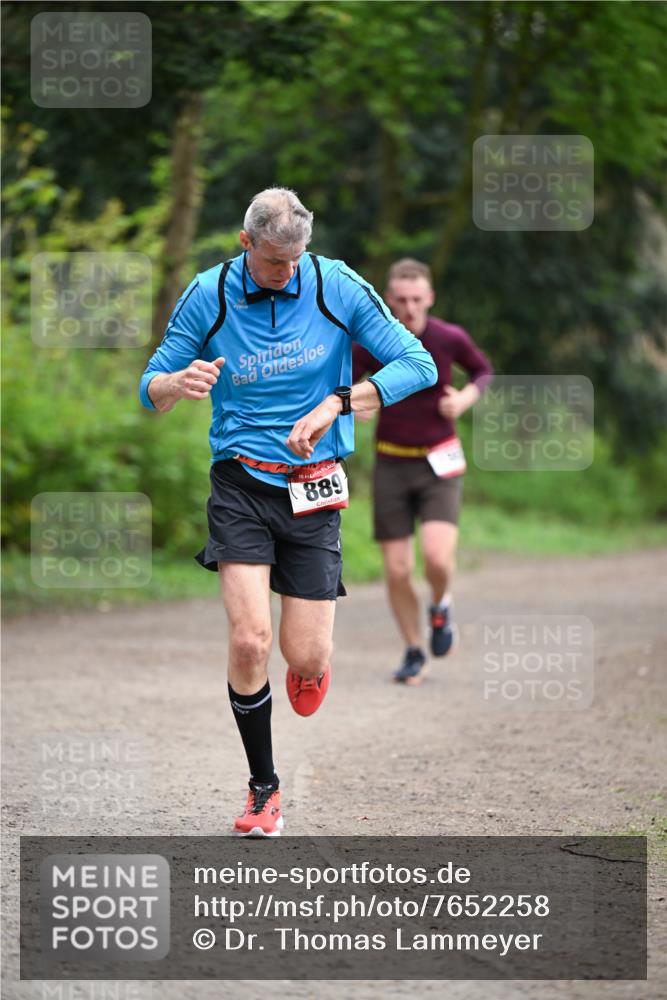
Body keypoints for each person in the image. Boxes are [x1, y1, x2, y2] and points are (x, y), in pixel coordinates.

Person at [139, 190, 437, 836]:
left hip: (313, 487)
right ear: (245, 244)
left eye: (296, 259)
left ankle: (310, 668)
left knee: (303, 656)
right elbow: (151, 386)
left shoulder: (335, 286)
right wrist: (176, 384)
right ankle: (263, 790)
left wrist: (340, 401)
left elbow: (418, 363)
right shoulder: (208, 295)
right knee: (250, 640)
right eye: (275, 262)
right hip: (241, 483)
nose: (287, 273)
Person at [352, 258, 492, 686]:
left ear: (429, 298)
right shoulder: (372, 342)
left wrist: (465, 399)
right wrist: (356, 405)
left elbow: (484, 370)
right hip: (392, 462)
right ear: (388, 300)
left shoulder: (448, 337)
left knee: (435, 556)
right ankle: (414, 649)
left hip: (439, 461)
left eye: (417, 299)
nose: (409, 307)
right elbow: (345, 383)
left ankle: (441, 602)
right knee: (396, 570)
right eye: (401, 299)